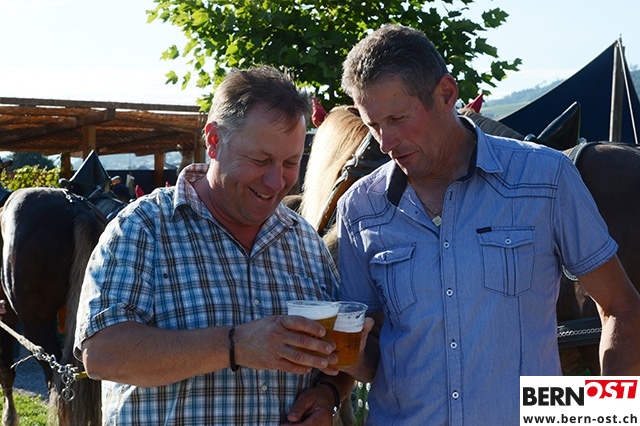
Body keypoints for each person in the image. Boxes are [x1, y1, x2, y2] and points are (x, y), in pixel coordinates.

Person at [336, 24, 640, 425]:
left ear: (447, 93)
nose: (385, 142)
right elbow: (372, 359)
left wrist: (611, 416)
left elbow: (621, 308)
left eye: (398, 118)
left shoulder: (546, 178)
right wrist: (344, 355)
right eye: (373, 125)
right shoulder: (359, 208)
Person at [74, 65, 361, 425]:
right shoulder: (143, 228)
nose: (277, 181)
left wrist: (327, 394)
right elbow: (101, 355)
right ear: (213, 141)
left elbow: (335, 356)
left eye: (291, 162)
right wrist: (235, 345)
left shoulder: (304, 241)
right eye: (260, 160)